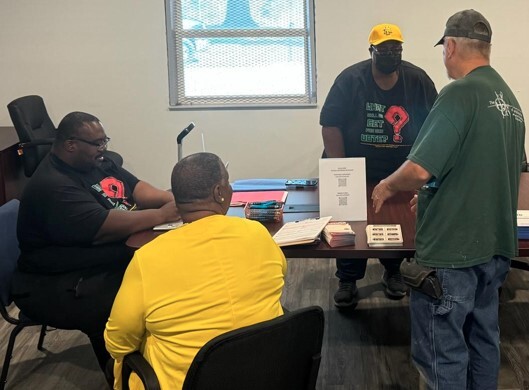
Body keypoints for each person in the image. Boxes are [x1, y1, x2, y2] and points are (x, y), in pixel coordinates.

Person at [372, 10, 525, 388]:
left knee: (443, 350)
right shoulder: (509, 100)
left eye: (444, 50)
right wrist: (432, 196)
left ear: (451, 46)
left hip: (451, 253)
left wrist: (388, 185)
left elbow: (420, 169)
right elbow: (480, 170)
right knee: (484, 338)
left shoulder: (459, 93)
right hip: (495, 249)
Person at [12, 112, 179, 373]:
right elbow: (103, 226)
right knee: (128, 302)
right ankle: (122, 373)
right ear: (71, 145)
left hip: (96, 259)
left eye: (105, 141)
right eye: (97, 143)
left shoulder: (97, 163)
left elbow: (135, 188)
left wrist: (171, 200)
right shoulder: (53, 185)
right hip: (54, 282)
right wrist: (161, 215)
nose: (104, 149)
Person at [104, 152, 287, 390]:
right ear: (220, 193)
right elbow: (279, 278)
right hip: (266, 372)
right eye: (228, 183)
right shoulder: (258, 233)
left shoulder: (148, 257)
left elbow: (118, 342)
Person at [320, 23, 438, 307]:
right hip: (355, 166)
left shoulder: (417, 80)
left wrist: (421, 167)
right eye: (383, 49)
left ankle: (394, 271)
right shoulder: (351, 79)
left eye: (395, 49)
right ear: (371, 51)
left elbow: (435, 124)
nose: (390, 54)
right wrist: (340, 169)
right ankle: (348, 278)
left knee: (398, 221)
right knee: (350, 224)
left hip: (400, 170)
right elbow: (330, 124)